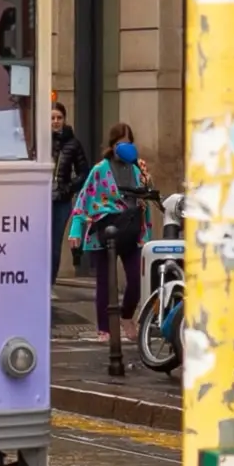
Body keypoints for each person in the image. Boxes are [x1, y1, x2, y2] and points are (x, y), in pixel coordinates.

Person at [68, 122, 151, 336]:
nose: (125, 147)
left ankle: (126, 316)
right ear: (113, 145)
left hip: (131, 229)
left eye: (129, 143)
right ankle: (104, 329)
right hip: (105, 230)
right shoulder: (100, 170)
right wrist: (76, 229)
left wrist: (146, 181)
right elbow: (84, 199)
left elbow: (146, 200)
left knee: (136, 278)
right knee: (105, 282)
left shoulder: (136, 169)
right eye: (121, 143)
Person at [50, 98, 89, 278]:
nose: (56, 121)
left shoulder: (73, 144)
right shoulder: (40, 141)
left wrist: (68, 187)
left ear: (64, 119)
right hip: (40, 199)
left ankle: (50, 282)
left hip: (61, 200)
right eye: (52, 118)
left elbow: (84, 172)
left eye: (59, 117)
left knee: (55, 244)